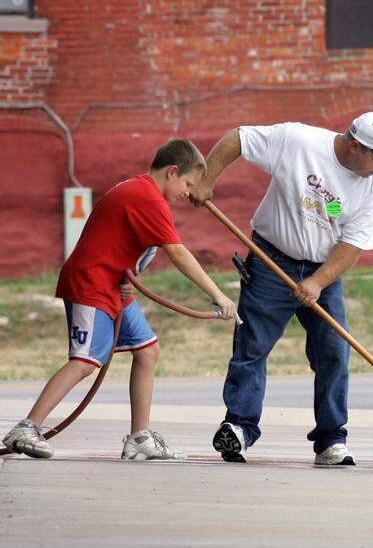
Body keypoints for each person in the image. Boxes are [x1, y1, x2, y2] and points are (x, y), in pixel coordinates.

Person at [190, 112, 373, 466]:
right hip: (270, 260)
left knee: (334, 351)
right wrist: (206, 180)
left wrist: (319, 282)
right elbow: (238, 139)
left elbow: (353, 243)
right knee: (252, 345)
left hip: (324, 271)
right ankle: (239, 428)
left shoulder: (370, 187)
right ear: (355, 146)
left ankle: (331, 440)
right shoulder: (298, 141)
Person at [2, 139, 237, 460]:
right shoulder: (147, 198)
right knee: (85, 361)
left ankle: (140, 437)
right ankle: (27, 427)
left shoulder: (142, 191)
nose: (187, 192)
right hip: (91, 284)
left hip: (113, 285)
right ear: (172, 172)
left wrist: (130, 277)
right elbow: (178, 253)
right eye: (187, 184)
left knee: (147, 350)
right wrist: (218, 294)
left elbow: (123, 242)